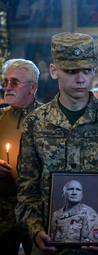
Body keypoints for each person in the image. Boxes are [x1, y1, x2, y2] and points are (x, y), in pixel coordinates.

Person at [15, 32, 98, 255]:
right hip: (48, 248)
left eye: (87, 71)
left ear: (94, 70)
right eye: (71, 71)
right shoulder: (36, 122)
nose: (81, 79)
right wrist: (35, 229)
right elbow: (26, 189)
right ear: (54, 71)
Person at [0, 59, 42, 255]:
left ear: (33, 86)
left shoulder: (47, 118)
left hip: (37, 209)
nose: (7, 87)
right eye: (5, 81)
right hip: (2, 206)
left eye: (15, 82)